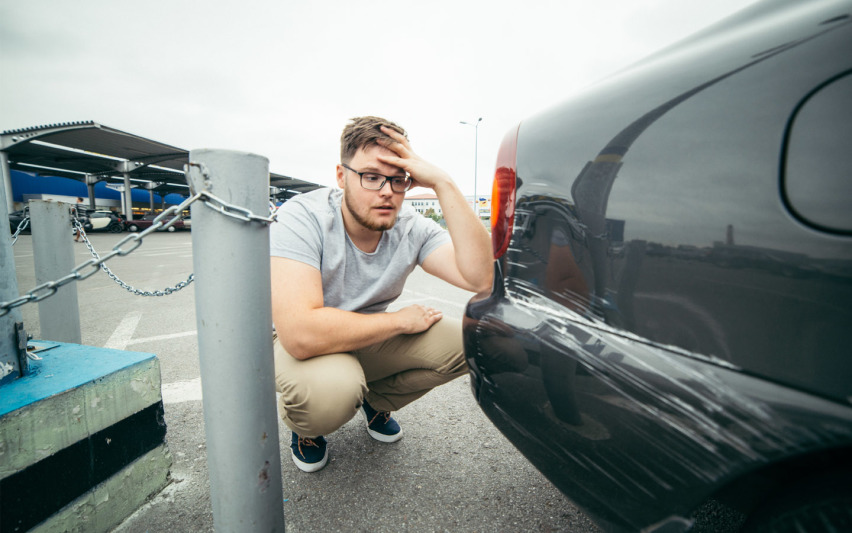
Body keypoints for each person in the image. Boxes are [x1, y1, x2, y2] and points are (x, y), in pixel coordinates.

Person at [269, 116, 494, 472]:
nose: (387, 191)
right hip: (306, 346)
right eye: (371, 177)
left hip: (367, 336)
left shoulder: (411, 226)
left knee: (481, 342)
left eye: (398, 178)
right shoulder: (303, 216)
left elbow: (481, 278)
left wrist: (443, 183)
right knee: (332, 392)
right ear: (342, 177)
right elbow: (300, 333)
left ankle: (376, 401)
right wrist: (399, 322)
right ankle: (306, 430)